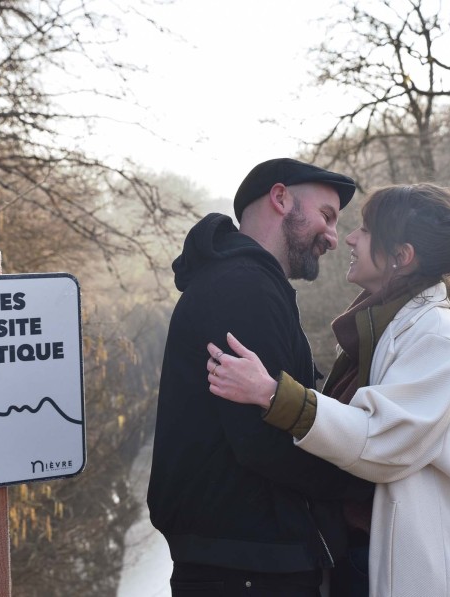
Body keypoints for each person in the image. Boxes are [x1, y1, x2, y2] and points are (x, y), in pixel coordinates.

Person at [206, 183, 450, 597]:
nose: (348, 237)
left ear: (401, 256)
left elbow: (381, 438)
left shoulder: (436, 336)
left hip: (419, 570)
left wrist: (273, 394)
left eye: (365, 230)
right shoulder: (389, 325)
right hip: (365, 555)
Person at [147, 158, 375, 597]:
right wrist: (364, 475)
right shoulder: (242, 288)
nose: (333, 236)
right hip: (247, 568)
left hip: (247, 560)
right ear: (281, 198)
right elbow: (263, 440)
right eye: (326, 215)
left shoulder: (247, 282)